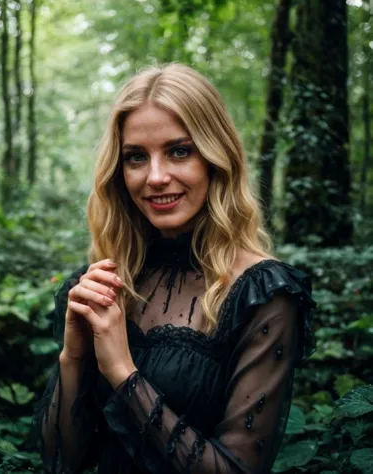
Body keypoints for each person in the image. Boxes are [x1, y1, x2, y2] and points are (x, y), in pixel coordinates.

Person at [32, 63, 317, 474]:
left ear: (215, 158)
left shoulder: (264, 295)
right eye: (135, 157)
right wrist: (74, 356)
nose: (156, 177)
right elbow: (61, 461)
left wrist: (122, 372)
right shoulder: (98, 283)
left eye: (179, 151)